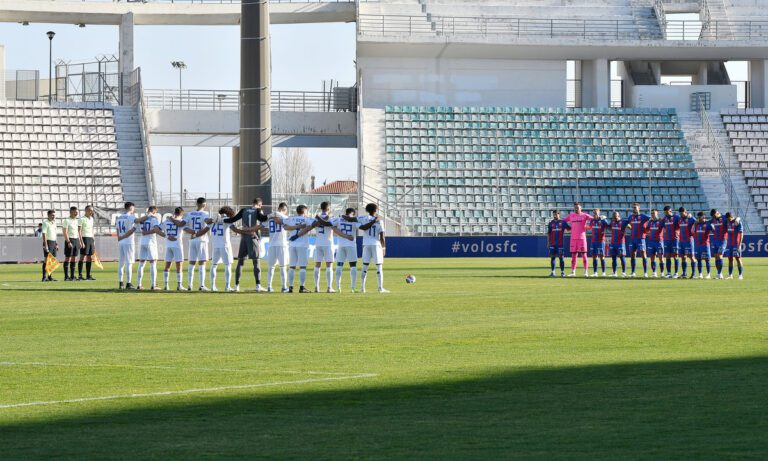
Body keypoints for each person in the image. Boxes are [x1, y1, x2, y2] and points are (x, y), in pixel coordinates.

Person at [197, 206, 247, 292]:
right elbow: (235, 230)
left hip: (215, 245)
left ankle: (213, 286)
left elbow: (204, 229)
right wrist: (246, 232)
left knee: (214, 265)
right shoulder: (227, 220)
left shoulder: (213, 220)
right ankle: (227, 286)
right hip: (225, 245)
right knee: (228, 265)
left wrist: (195, 234)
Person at [224, 198, 269, 292]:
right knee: (256, 262)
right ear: (259, 204)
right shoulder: (257, 210)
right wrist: (271, 215)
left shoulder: (243, 210)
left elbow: (233, 219)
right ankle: (258, 286)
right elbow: (263, 219)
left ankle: (236, 286)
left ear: (252, 203)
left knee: (240, 262)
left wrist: (222, 220)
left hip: (243, 237)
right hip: (252, 237)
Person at [282, 205, 314, 293]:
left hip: (292, 244)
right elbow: (315, 224)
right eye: (307, 212)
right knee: (302, 266)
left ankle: (291, 287)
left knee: (292, 266)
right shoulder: (307, 219)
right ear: (304, 212)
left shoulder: (291, 219)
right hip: (302, 244)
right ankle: (302, 287)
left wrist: (295, 228)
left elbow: (285, 227)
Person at [358, 203, 388, 293]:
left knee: (364, 266)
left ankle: (362, 288)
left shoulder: (364, 219)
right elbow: (382, 236)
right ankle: (380, 288)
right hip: (376, 244)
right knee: (379, 267)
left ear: (367, 210)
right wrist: (384, 248)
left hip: (366, 244)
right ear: (376, 210)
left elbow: (353, 219)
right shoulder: (380, 221)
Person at [333, 208, 363, 292]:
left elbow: (333, 227)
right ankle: (352, 288)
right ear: (353, 214)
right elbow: (362, 227)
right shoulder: (354, 221)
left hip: (341, 245)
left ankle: (338, 288)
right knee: (353, 266)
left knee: (339, 266)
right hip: (351, 245)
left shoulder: (339, 219)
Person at [184, 197, 211, 291]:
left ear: (197, 204)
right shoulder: (205, 213)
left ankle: (189, 285)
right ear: (204, 205)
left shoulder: (190, 213)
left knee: (191, 262)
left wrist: (193, 233)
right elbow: (207, 221)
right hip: (201, 240)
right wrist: (212, 220)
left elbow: (184, 226)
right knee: (202, 262)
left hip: (192, 240)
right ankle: (201, 285)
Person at [135, 206, 163, 290]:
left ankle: (139, 284)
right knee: (153, 263)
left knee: (141, 263)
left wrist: (145, 232)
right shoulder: (154, 219)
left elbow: (138, 223)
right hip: (151, 242)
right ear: (154, 211)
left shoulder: (143, 219)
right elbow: (155, 229)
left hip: (142, 241)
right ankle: (153, 285)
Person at [265, 203, 290, 293]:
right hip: (281, 244)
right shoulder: (285, 217)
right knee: (283, 267)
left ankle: (269, 286)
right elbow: (288, 226)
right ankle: (284, 287)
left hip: (271, 244)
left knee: (271, 267)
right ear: (284, 209)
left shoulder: (270, 218)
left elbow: (261, 225)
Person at [563, 202, 592, 277]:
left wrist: (588, 227)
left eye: (578, 207)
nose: (576, 209)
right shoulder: (571, 215)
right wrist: (568, 228)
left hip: (582, 238)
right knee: (573, 257)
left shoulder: (584, 215)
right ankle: (573, 272)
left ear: (581, 208)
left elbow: (594, 220)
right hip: (573, 239)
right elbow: (563, 222)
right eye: (575, 207)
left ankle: (585, 272)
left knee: (584, 256)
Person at [162, 207, 187, 291]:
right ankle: (179, 286)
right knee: (179, 265)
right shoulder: (181, 221)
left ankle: (166, 285)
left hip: (168, 245)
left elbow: (156, 229)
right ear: (182, 213)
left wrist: (167, 236)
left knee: (167, 265)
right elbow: (181, 225)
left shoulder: (167, 221)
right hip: (177, 245)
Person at [116, 202, 138, 289]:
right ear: (131, 208)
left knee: (121, 263)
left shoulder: (119, 217)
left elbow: (117, 229)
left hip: (121, 241)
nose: (134, 209)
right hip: (128, 242)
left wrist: (119, 238)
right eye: (133, 207)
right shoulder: (131, 216)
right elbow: (134, 227)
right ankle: (128, 283)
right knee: (129, 263)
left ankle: (121, 283)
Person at [627, 203, 650, 277]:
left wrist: (647, 229)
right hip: (632, 238)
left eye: (635, 207)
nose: (634, 209)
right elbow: (629, 224)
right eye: (633, 207)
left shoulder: (643, 216)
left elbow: (652, 219)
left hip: (640, 238)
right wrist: (630, 227)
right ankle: (633, 272)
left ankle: (645, 272)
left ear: (639, 208)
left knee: (643, 254)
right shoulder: (630, 217)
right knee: (632, 255)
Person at [608, 211, 631, 277]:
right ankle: (614, 273)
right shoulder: (612, 222)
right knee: (613, 258)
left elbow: (630, 224)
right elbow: (607, 226)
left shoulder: (623, 222)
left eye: (615, 216)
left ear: (618, 216)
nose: (614, 217)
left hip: (620, 243)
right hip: (613, 243)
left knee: (622, 257)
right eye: (613, 216)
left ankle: (624, 272)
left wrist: (629, 226)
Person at [660, 205, 681, 278]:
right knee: (667, 256)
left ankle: (676, 273)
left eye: (667, 212)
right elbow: (660, 227)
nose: (666, 214)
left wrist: (678, 233)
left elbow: (682, 225)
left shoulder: (676, 217)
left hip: (675, 240)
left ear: (670, 211)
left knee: (675, 256)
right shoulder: (664, 219)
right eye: (665, 212)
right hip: (666, 240)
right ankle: (669, 273)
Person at [62, 206, 82, 282]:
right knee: (68, 258)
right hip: (70, 240)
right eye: (75, 211)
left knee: (74, 258)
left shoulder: (77, 221)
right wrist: (68, 242)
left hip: (76, 240)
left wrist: (79, 241)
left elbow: (78, 232)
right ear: (71, 212)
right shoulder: (67, 220)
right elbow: (65, 232)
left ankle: (72, 276)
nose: (77, 213)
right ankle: (66, 276)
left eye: (77, 212)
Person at [547, 210, 569, 277]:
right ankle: (553, 272)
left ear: (559, 214)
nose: (555, 216)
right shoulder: (551, 223)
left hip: (560, 244)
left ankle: (562, 272)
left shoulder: (563, 222)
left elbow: (569, 228)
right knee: (552, 257)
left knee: (561, 258)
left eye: (556, 214)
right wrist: (548, 242)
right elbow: (549, 233)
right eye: (554, 214)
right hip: (552, 243)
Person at [643, 209, 665, 278]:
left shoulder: (661, 221)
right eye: (651, 213)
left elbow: (666, 228)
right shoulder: (650, 222)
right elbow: (646, 229)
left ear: (657, 213)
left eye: (654, 213)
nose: (652, 214)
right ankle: (654, 272)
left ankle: (662, 273)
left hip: (659, 242)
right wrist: (648, 232)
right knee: (652, 257)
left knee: (661, 257)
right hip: (651, 242)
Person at [692, 211, 714, 279]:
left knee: (707, 259)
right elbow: (692, 231)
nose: (698, 218)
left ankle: (708, 274)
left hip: (705, 244)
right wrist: (694, 225)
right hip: (697, 244)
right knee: (698, 259)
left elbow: (714, 231)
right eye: (698, 217)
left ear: (703, 216)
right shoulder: (696, 224)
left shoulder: (708, 223)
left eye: (700, 217)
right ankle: (700, 274)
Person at [588, 208, 609, 277]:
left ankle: (603, 272)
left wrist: (605, 219)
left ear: (599, 213)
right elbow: (590, 227)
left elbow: (608, 226)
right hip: (593, 241)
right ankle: (595, 272)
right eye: (594, 213)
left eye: (596, 213)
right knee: (594, 257)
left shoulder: (603, 221)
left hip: (600, 241)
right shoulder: (592, 221)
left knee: (602, 257)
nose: (594, 214)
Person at [78, 205, 96, 281]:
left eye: (92, 210)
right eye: (89, 210)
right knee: (82, 256)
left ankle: (88, 275)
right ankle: (80, 275)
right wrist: (81, 242)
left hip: (90, 239)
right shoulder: (81, 219)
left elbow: (92, 230)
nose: (91, 212)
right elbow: (79, 231)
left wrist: (93, 240)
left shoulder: (91, 219)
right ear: (85, 210)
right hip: (84, 238)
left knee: (89, 257)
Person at [678, 208, 697, 279]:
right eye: (680, 213)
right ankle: (684, 273)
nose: (681, 215)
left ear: (686, 212)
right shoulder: (679, 219)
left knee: (691, 257)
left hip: (689, 241)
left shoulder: (691, 219)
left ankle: (694, 274)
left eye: (682, 213)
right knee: (683, 257)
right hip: (681, 241)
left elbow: (697, 222)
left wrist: (691, 216)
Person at [709, 209, 728, 279]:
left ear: (717, 213)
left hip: (722, 240)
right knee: (716, 256)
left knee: (720, 255)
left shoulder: (724, 217)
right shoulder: (713, 219)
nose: (713, 218)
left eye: (714, 216)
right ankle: (719, 273)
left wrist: (738, 218)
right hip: (715, 240)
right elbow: (707, 222)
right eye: (713, 217)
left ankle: (719, 273)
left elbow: (733, 219)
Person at [40, 210, 59, 282]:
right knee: (46, 259)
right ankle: (44, 277)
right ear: (48, 215)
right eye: (52, 215)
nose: (53, 216)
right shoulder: (45, 223)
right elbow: (44, 234)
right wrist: (46, 245)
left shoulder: (54, 223)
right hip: (48, 242)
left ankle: (50, 276)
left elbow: (55, 234)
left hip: (53, 242)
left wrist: (56, 244)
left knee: (52, 260)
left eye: (54, 215)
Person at [725, 211, 744, 280]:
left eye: (729, 218)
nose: (727, 220)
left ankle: (740, 275)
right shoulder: (728, 222)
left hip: (736, 243)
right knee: (730, 259)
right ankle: (730, 275)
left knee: (737, 258)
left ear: (732, 217)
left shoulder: (738, 222)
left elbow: (741, 234)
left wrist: (739, 244)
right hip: (729, 243)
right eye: (727, 219)